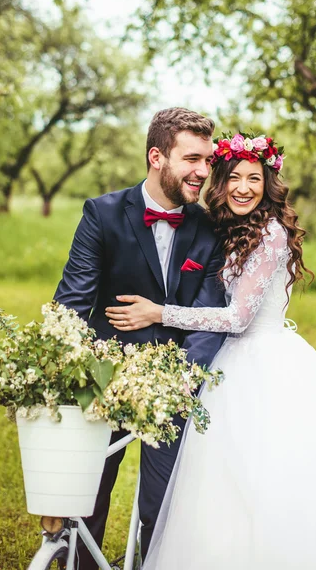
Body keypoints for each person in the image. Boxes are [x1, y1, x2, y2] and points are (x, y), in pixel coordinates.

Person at [106, 131, 316, 569]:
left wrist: (160, 312)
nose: (243, 187)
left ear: (268, 183)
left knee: (268, 472)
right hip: (228, 361)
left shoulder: (270, 233)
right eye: (233, 177)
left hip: (264, 362)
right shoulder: (232, 228)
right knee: (219, 480)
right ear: (220, 181)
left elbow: (237, 318)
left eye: (254, 178)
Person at [54, 107, 227, 569]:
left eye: (208, 161)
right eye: (192, 159)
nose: (203, 171)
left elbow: (209, 316)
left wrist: (180, 382)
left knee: (165, 503)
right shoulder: (103, 213)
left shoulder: (212, 228)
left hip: (177, 384)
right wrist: (79, 373)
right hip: (104, 379)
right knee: (84, 495)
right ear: (157, 156)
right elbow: (72, 301)